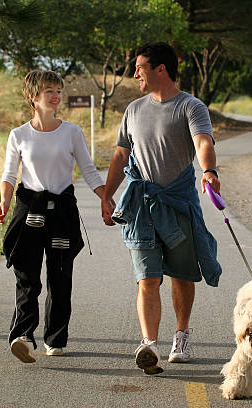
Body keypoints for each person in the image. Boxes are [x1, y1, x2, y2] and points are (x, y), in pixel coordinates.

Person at [101, 42, 222, 375]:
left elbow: (203, 142)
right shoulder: (134, 110)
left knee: (182, 276)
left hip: (178, 202)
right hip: (142, 205)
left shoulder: (190, 106)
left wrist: (209, 171)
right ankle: (150, 345)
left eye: (139, 67)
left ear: (161, 69)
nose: (134, 73)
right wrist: (107, 195)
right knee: (147, 277)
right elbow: (120, 156)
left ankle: (181, 336)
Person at [0, 70, 107, 363]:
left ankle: (55, 338)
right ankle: (22, 335)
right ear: (33, 97)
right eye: (49, 91)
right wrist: (4, 201)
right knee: (27, 277)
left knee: (60, 277)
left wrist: (107, 200)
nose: (56, 96)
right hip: (29, 208)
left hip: (62, 212)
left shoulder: (71, 132)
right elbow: (9, 173)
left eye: (59, 90)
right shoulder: (19, 135)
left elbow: (89, 170)